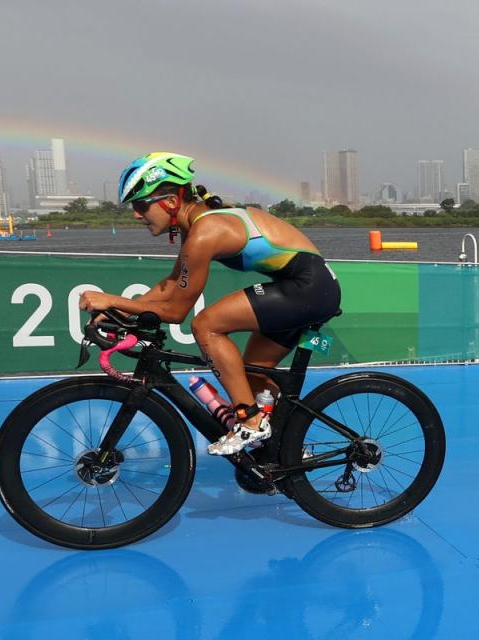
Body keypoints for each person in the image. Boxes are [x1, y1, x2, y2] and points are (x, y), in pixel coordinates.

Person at [79, 152, 341, 455]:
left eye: (141, 204)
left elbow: (176, 311)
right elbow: (171, 284)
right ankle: (286, 448)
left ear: (171, 200)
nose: (136, 214)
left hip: (306, 286)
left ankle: (250, 423)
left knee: (206, 325)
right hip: (307, 286)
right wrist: (121, 309)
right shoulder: (196, 225)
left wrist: (111, 299)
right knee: (252, 374)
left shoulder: (206, 232)